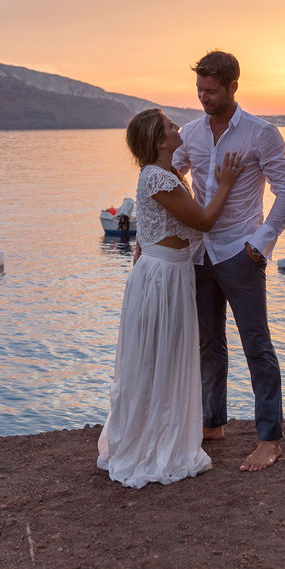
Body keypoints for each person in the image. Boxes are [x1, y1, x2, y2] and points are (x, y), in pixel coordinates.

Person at [97, 108, 243, 488]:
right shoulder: (157, 177)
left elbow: (150, 230)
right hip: (163, 277)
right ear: (160, 141)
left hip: (172, 273)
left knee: (168, 355)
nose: (178, 127)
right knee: (158, 357)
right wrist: (226, 182)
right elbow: (204, 221)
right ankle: (151, 443)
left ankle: (162, 433)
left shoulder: (166, 175)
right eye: (170, 126)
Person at [172, 51, 285, 472]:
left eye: (211, 91)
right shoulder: (190, 133)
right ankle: (213, 423)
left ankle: (270, 440)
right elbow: (168, 176)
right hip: (198, 254)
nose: (204, 98)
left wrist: (260, 245)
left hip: (240, 253)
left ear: (232, 87)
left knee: (256, 346)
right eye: (199, 91)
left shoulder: (262, 134)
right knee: (208, 344)